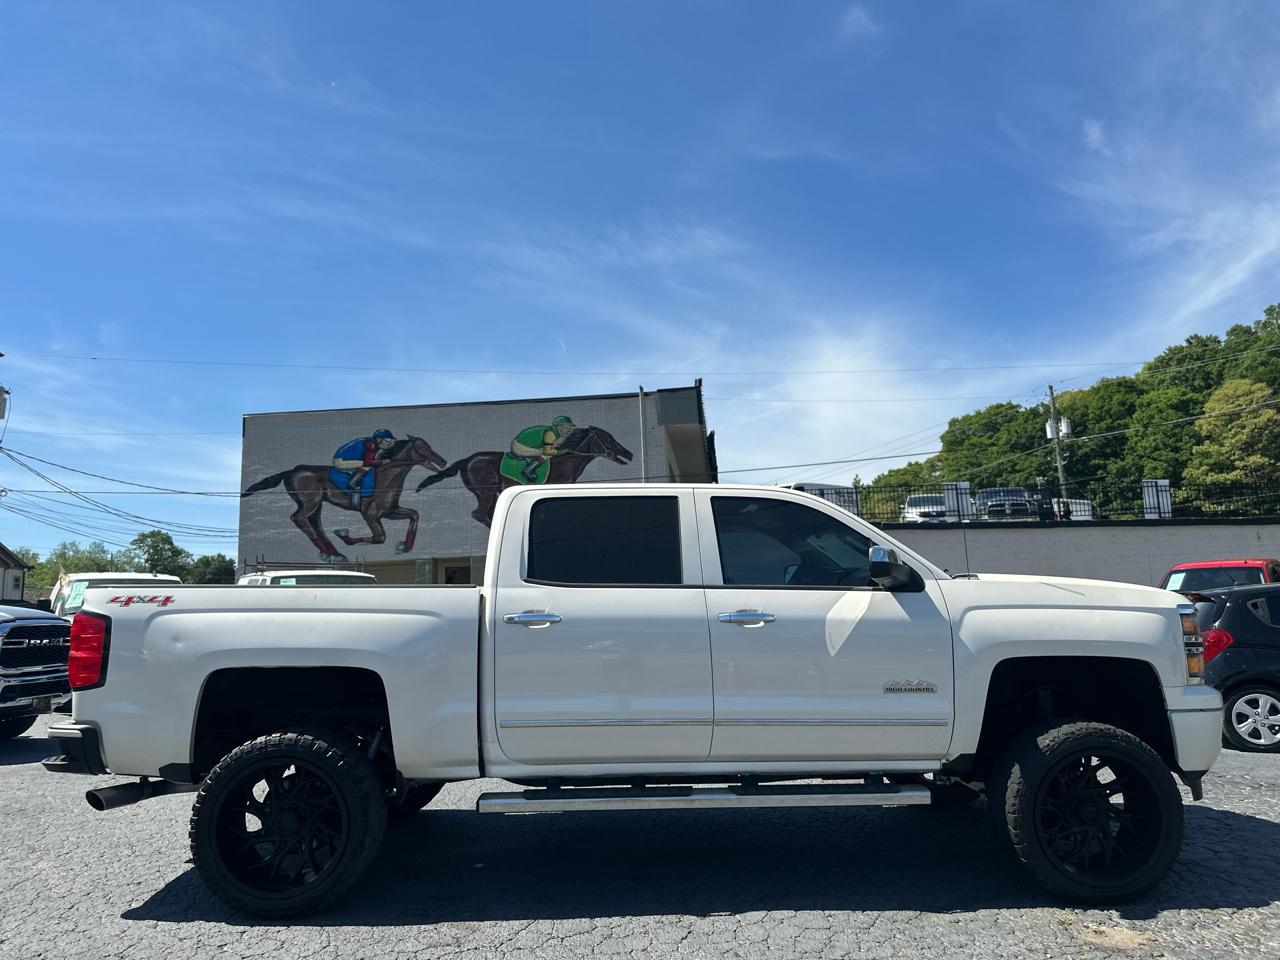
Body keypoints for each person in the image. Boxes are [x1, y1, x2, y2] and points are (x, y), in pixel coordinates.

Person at [330, 429, 396, 509]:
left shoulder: (373, 443)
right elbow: (368, 462)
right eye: (388, 440)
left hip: (346, 458)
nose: (389, 443)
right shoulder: (370, 444)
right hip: (341, 461)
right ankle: (353, 482)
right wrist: (382, 462)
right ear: (379, 439)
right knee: (367, 466)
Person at [510, 415, 576, 483]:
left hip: (529, 445)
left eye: (570, 427)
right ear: (559, 427)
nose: (569, 429)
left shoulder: (556, 432)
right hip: (519, 446)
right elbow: (547, 451)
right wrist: (559, 452)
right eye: (567, 427)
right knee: (548, 454)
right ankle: (528, 470)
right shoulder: (550, 433)